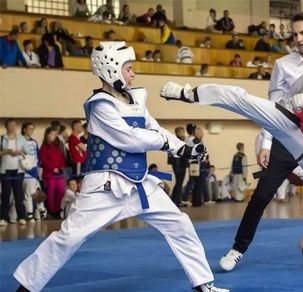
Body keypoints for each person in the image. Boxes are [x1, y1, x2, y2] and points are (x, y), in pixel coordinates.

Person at [161, 23, 303, 276]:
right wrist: (279, 115)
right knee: (241, 99)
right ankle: (188, 93)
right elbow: (290, 94)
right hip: (289, 127)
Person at [14, 41, 228, 292]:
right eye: (128, 68)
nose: (133, 73)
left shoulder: (135, 100)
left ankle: (203, 284)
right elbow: (130, 138)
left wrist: (184, 147)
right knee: (69, 237)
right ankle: (26, 287)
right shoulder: (100, 105)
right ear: (111, 69)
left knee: (180, 224)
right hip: (106, 188)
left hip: (140, 185)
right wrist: (168, 144)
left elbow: (155, 129)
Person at [0, 119, 29, 226]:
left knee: (19, 194)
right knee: (6, 195)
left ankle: (21, 217)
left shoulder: (21, 138)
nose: (13, 127)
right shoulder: (2, 138)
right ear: (6, 127)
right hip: (5, 170)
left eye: (14, 125)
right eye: (10, 125)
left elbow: (28, 152)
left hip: (19, 170)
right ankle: (3, 217)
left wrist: (20, 152)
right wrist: (7, 151)